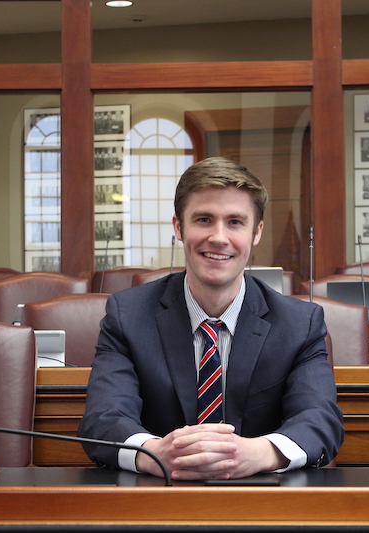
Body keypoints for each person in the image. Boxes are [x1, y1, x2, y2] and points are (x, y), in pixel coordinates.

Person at [79, 157, 343, 481]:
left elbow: (320, 421)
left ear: (256, 232)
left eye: (235, 222)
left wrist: (255, 453)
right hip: (157, 505)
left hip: (267, 509)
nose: (219, 237)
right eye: (204, 219)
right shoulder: (128, 316)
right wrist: (156, 454)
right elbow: (103, 419)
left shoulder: (299, 324)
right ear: (178, 227)